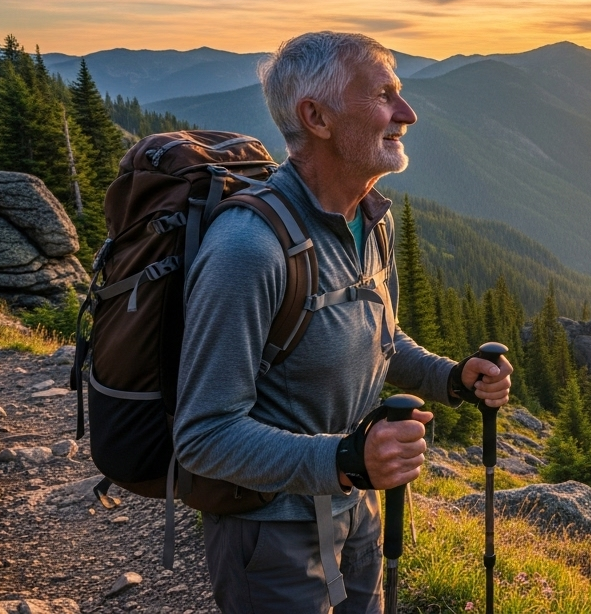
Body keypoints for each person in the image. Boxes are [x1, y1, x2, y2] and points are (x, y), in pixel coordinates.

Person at [174, 31, 513, 613]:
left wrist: (453, 378)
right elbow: (202, 436)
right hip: (271, 530)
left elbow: (380, 336)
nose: (406, 114)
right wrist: (345, 459)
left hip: (356, 506)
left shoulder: (368, 218)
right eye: (383, 96)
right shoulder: (249, 249)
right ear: (317, 117)